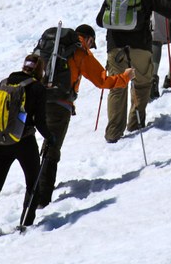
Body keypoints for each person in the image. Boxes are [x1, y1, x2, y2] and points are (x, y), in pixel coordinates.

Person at [36, 24, 134, 207]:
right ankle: (41, 198)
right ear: (88, 39)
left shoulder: (50, 46)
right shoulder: (80, 51)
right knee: (52, 149)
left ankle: (34, 190)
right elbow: (102, 80)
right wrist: (125, 77)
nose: (90, 47)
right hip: (60, 104)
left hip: (37, 100)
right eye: (91, 43)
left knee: (39, 146)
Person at [0, 54, 54, 246]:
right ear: (40, 70)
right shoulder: (37, 88)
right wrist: (51, 138)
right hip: (24, 142)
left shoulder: (4, 83)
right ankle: (26, 222)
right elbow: (40, 122)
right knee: (33, 183)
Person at [96, 0, 171, 143]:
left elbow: (99, 20)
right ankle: (135, 123)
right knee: (142, 84)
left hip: (115, 48)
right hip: (140, 47)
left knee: (117, 87)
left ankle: (113, 132)